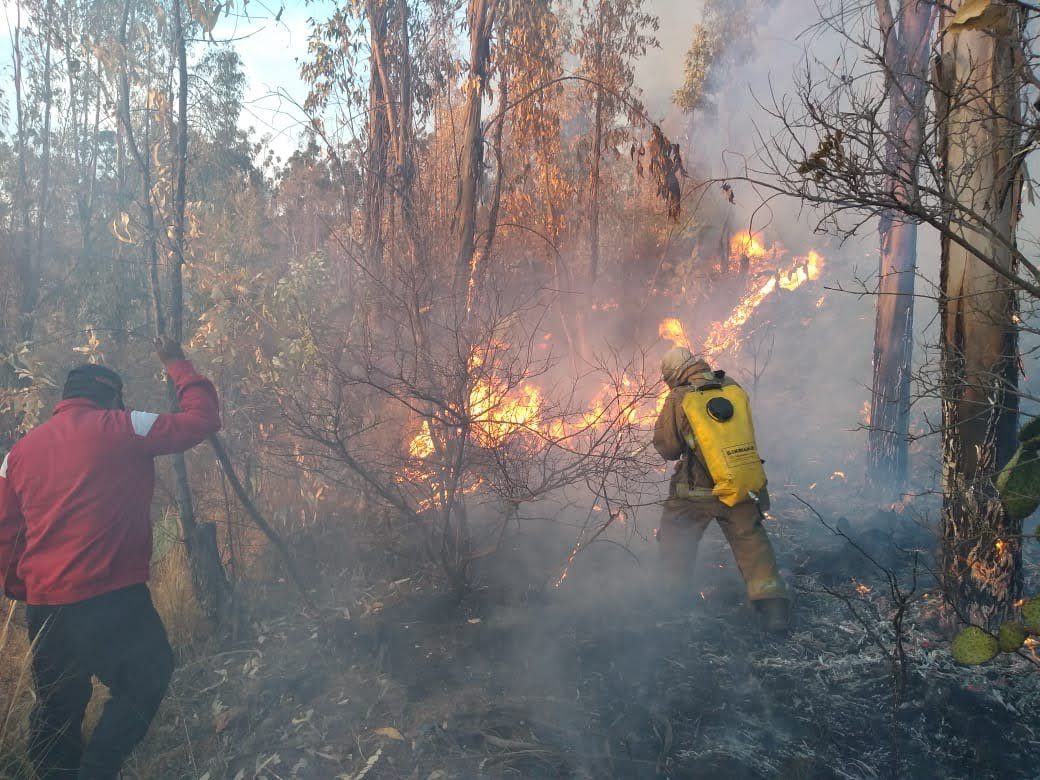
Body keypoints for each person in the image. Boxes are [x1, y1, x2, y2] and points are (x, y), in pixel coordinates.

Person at [0, 338, 221, 779]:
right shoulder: (123, 425)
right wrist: (178, 365)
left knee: (57, 707)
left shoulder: (18, 455)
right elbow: (201, 420)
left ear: (66, 398)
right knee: (148, 674)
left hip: (45, 607)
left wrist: (24, 588)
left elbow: (5, 532)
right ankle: (97, 770)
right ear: (112, 396)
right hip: (109, 598)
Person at [653, 346, 790, 632]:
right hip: (739, 482)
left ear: (672, 374)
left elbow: (668, 447)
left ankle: (672, 601)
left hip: (696, 492)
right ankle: (773, 607)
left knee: (676, 536)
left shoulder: (680, 397)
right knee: (751, 541)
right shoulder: (732, 387)